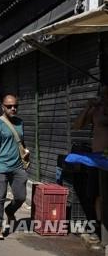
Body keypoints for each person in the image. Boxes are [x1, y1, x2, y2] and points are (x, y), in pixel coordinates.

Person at [0, 94, 29, 240]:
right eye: (9, 106)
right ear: (2, 107)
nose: (13, 108)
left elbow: (21, 142)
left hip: (18, 166)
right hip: (2, 167)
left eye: (15, 106)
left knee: (21, 197)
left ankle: (10, 211)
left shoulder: (20, 122)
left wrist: (25, 154)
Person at [72, 85, 108, 232]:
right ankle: (99, 225)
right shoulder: (96, 110)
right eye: (103, 94)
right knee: (96, 193)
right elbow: (77, 125)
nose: (105, 97)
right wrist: (87, 107)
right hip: (98, 157)